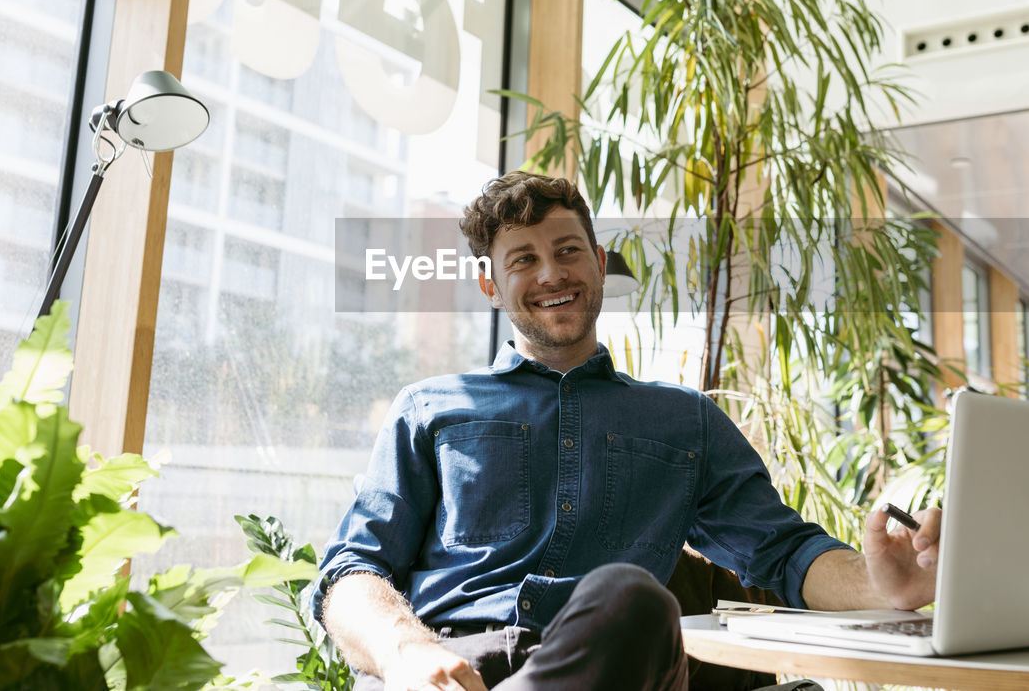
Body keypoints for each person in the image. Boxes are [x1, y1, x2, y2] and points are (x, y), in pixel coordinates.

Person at [313, 171, 941, 691]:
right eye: (523, 259)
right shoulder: (429, 409)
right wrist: (404, 652)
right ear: (490, 284)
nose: (552, 274)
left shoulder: (684, 421)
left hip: (621, 662)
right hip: (457, 671)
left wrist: (879, 586)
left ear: (598, 261)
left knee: (630, 599)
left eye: (567, 250)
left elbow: (783, 552)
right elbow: (350, 572)